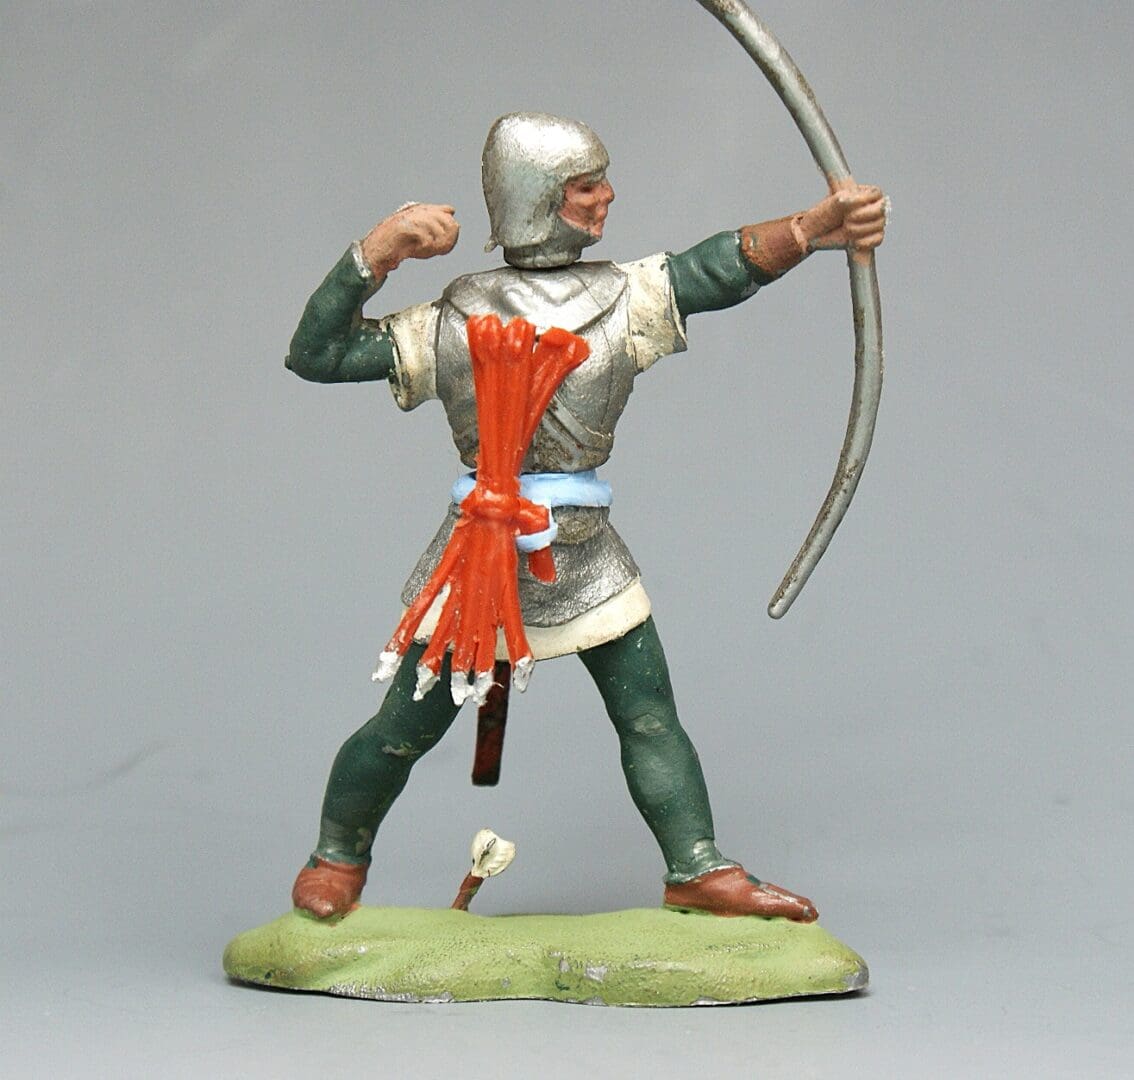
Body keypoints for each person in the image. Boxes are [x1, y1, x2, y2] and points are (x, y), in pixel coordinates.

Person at [286, 112, 885, 921]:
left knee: (650, 716)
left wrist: (811, 229)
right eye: (585, 186)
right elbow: (317, 355)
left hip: (586, 552)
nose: (606, 197)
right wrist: (375, 253)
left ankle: (696, 866)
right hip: (480, 558)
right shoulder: (453, 320)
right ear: (536, 199)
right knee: (402, 727)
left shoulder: (623, 298)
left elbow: (713, 271)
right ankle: (337, 856)